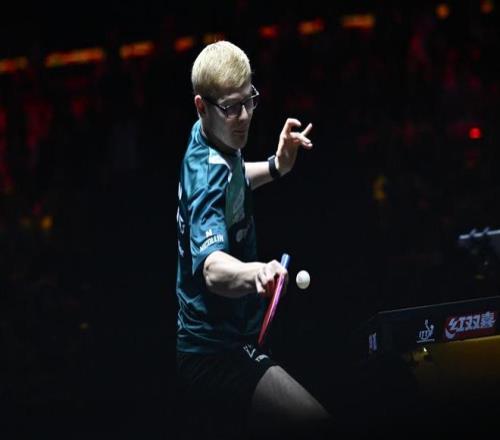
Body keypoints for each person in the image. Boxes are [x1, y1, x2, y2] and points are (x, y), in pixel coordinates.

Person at [175, 41, 331, 439]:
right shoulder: (205, 177)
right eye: (231, 107)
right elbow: (212, 269)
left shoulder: (210, 137)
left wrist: (277, 166)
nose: (243, 116)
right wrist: (255, 273)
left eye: (249, 101)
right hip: (215, 354)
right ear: (201, 106)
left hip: (228, 339)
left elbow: (234, 179)